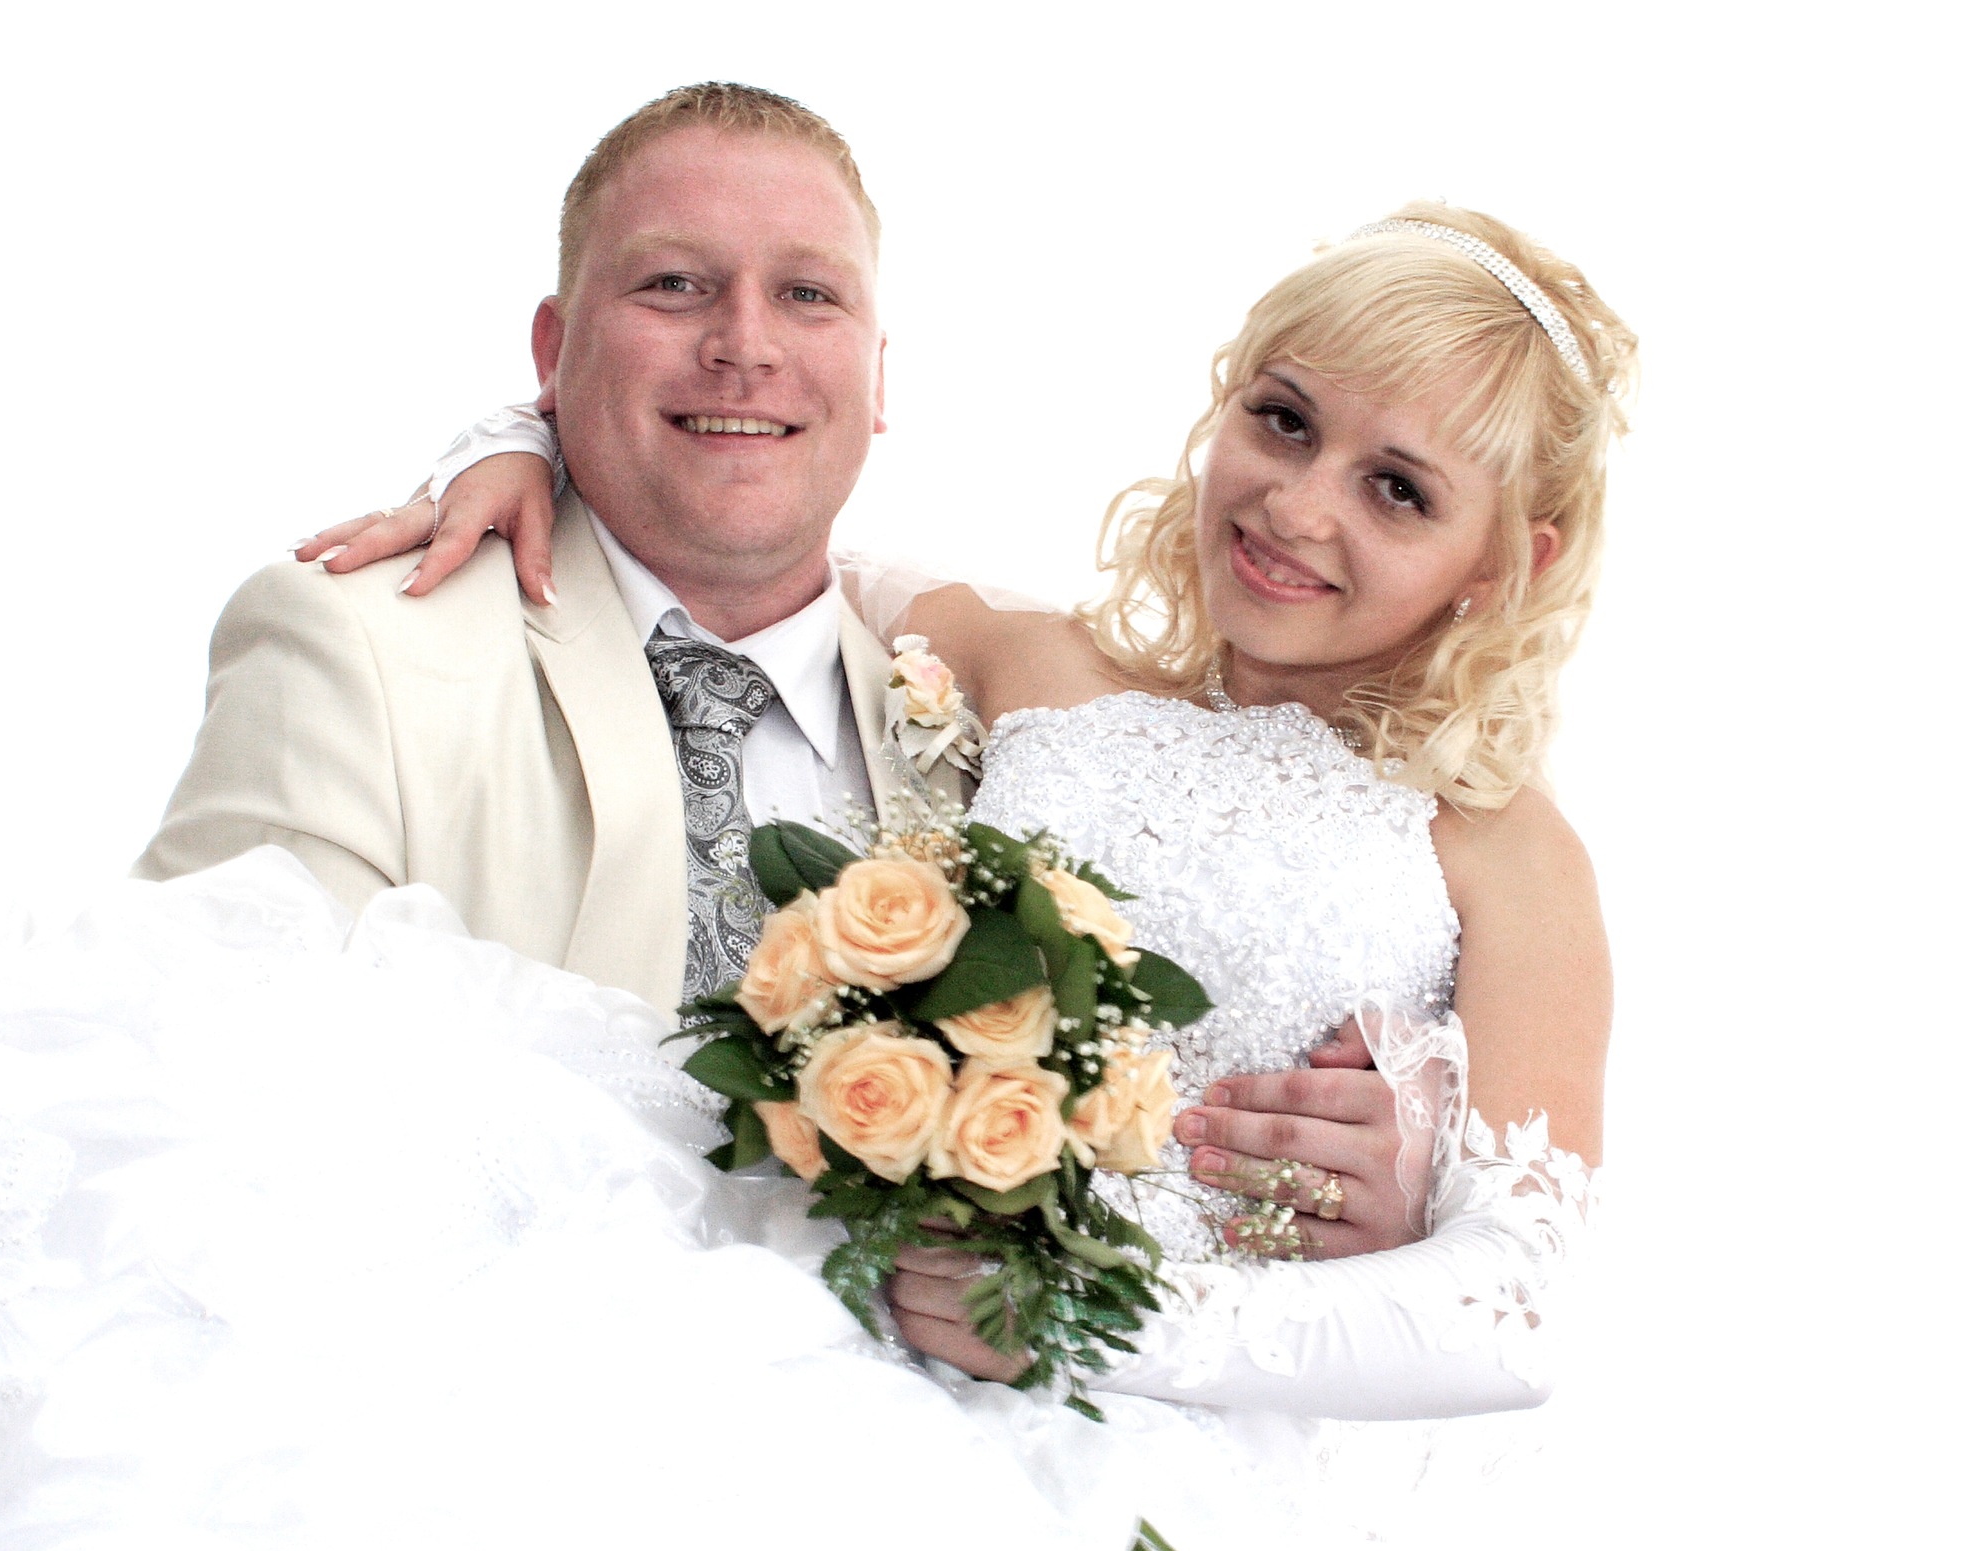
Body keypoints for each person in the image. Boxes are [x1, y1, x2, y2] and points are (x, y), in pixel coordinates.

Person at [0, 89, 1627, 1551]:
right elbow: (755, 505)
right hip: (781, 1346)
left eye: (1399, 490)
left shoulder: (1501, 850)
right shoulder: (1028, 663)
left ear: (1508, 562)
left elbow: (1521, 1303)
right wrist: (508, 443)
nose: (1300, 506)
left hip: (1135, 1433)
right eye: (1282, 423)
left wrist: (1150, 1298)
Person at [134, 79, 1420, 1256]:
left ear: (876, 374)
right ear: (550, 352)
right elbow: (190, 1111)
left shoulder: (1013, 732)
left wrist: (1376, 1167)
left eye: (808, 295)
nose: (745, 345)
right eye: (673, 285)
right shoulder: (355, 650)